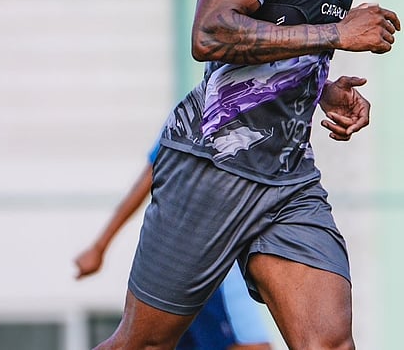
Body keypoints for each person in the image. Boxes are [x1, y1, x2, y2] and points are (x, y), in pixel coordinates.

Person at [95, 0, 401, 350]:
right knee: (143, 344)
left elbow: (280, 38)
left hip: (287, 180)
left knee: (329, 344)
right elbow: (210, 33)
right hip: (212, 166)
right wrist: (337, 31)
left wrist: (322, 88)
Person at [75, 141, 272, 350]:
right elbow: (153, 171)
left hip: (219, 255)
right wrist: (100, 246)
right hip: (207, 259)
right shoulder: (202, 111)